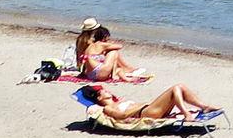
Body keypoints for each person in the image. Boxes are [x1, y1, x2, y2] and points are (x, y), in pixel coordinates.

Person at [78, 81, 221, 125]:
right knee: (176, 88)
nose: (106, 90)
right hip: (146, 112)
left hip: (149, 109)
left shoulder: (118, 101)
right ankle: (187, 114)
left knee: (181, 87)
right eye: (103, 91)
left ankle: (204, 107)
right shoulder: (108, 108)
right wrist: (138, 107)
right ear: (99, 98)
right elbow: (121, 116)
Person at [80, 25, 144, 83]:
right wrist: (110, 44)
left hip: (90, 75)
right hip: (100, 73)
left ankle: (122, 72)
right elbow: (119, 46)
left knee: (119, 69)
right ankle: (122, 74)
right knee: (113, 52)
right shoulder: (101, 44)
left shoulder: (90, 45)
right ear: (104, 37)